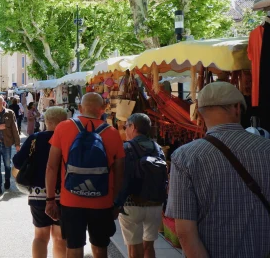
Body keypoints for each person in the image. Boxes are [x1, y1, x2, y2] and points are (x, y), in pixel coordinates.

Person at [166, 82, 270, 258]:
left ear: (199, 113)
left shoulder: (184, 157)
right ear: (237, 108)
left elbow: (184, 232)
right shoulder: (266, 149)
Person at [45, 93, 125, 258]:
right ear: (102, 110)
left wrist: (50, 199)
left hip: (71, 200)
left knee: (73, 248)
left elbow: (51, 167)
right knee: (100, 249)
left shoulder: (63, 127)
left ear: (80, 108)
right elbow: (119, 172)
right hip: (102, 201)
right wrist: (116, 203)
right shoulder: (112, 133)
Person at [13, 107, 68, 258]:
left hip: (38, 194)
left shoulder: (35, 139)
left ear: (47, 121)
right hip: (63, 195)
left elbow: (17, 162)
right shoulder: (67, 140)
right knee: (60, 237)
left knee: (40, 237)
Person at [114, 113, 166, 258]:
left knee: (133, 248)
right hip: (155, 202)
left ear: (133, 127)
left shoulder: (126, 147)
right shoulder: (157, 147)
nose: (125, 130)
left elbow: (124, 179)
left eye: (126, 126)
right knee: (149, 246)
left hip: (132, 203)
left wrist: (117, 203)